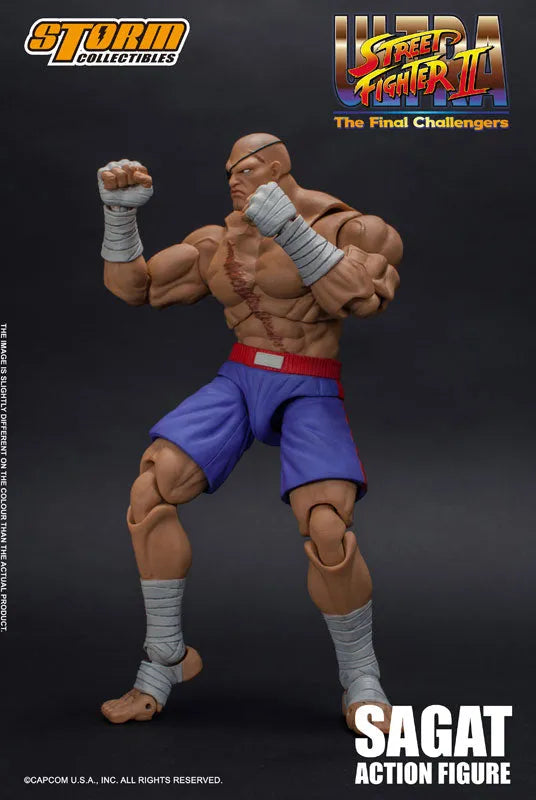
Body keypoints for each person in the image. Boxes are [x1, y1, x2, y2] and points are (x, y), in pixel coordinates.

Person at [97, 133, 402, 732]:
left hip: (307, 381)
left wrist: (290, 229)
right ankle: (165, 658)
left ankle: (361, 676)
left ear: (280, 167)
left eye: (247, 169)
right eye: (229, 173)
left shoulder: (351, 228)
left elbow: (361, 298)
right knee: (150, 488)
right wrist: (119, 217)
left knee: (327, 525)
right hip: (241, 376)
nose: (233, 181)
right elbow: (138, 288)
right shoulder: (220, 240)